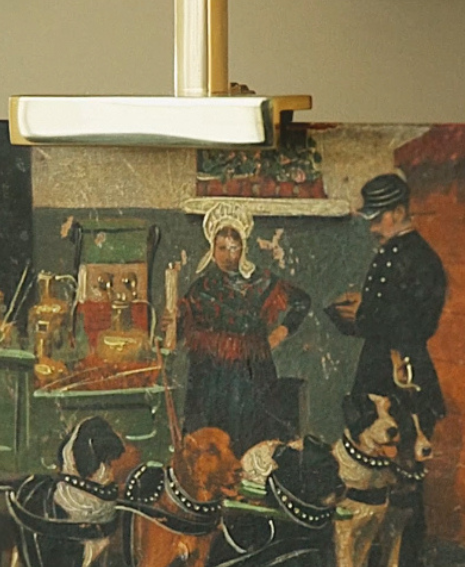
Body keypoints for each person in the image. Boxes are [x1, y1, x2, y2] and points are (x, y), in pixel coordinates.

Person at [177, 201, 310, 453]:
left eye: (234, 248)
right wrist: (171, 324)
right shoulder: (200, 289)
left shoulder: (261, 281)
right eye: (222, 248)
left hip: (251, 376)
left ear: (244, 248)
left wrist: (281, 332)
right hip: (210, 379)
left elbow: (302, 301)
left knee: (251, 438)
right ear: (212, 249)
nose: (229, 255)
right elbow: (179, 333)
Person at [327, 173, 447, 429]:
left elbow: (420, 323)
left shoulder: (421, 258)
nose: (372, 229)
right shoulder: (389, 251)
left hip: (403, 369)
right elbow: (390, 302)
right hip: (375, 365)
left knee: (402, 443)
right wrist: (360, 306)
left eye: (378, 219)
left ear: (399, 211)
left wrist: (366, 312)